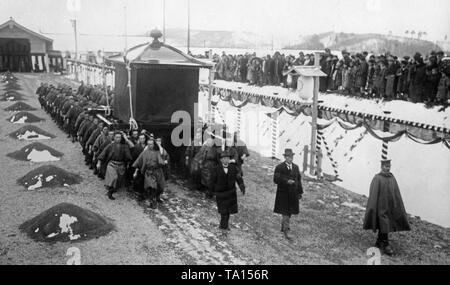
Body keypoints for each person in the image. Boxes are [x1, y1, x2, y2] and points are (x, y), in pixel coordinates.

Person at [363, 159, 411, 256]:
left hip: (389, 206)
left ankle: (379, 240)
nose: (388, 168)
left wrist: (395, 203)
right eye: (386, 166)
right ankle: (385, 243)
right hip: (380, 206)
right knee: (384, 223)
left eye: (389, 166)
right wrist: (374, 206)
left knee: (386, 223)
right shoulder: (377, 178)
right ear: (381, 167)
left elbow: (395, 191)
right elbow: (374, 192)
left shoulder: (391, 177)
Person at [210, 150, 245, 231]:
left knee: (228, 211)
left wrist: (241, 186)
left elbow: (238, 177)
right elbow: (212, 181)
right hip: (221, 193)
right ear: (221, 160)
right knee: (223, 211)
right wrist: (211, 192)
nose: (226, 160)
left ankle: (224, 225)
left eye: (228, 158)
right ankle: (223, 226)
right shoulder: (216, 169)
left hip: (231, 192)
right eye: (224, 158)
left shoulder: (233, 168)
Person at [273, 149, 303, 240]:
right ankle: (286, 230)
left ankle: (283, 227)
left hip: (293, 193)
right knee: (285, 212)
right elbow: (276, 179)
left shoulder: (296, 167)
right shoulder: (279, 167)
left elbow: (299, 180)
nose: (290, 158)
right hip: (283, 194)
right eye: (288, 157)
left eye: (291, 156)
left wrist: (300, 192)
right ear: (285, 157)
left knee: (289, 212)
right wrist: (286, 181)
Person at [97, 131, 132, 200]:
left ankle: (112, 188)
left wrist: (128, 163)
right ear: (114, 138)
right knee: (114, 178)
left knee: (118, 180)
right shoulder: (110, 145)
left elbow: (129, 156)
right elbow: (103, 153)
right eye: (116, 137)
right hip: (112, 164)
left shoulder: (125, 146)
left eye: (119, 137)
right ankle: (110, 192)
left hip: (121, 165)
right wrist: (99, 162)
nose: (118, 139)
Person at [133, 138, 166, 208]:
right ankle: (152, 202)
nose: (149, 146)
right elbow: (139, 160)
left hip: (158, 171)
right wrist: (135, 171)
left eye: (151, 144)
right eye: (148, 144)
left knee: (160, 186)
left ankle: (158, 197)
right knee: (151, 187)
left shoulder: (158, 152)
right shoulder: (145, 152)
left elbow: (162, 160)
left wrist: (164, 162)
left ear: (154, 144)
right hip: (149, 172)